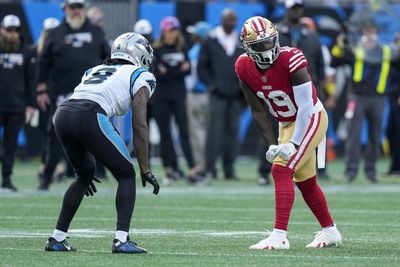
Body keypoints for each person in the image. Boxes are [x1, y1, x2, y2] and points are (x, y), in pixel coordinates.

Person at [44, 32, 160, 253]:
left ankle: (57, 238)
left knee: (84, 175)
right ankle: (121, 239)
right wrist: (145, 169)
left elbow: (84, 103)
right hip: (90, 114)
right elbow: (139, 124)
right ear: (140, 53)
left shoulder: (93, 70)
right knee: (126, 174)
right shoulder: (140, 75)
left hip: (63, 114)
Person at [235, 16, 342, 249]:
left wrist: (293, 144)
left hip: (311, 117)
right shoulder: (243, 66)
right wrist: (271, 144)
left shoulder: (291, 58)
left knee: (281, 170)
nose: (266, 48)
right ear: (248, 48)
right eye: (259, 45)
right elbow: (257, 109)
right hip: (286, 123)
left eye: (269, 41)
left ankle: (279, 236)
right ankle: (330, 231)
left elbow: (305, 106)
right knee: (305, 181)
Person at [36, 0, 110, 190]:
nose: (76, 11)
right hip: (63, 94)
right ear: (65, 9)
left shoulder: (96, 31)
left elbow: (109, 59)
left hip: (93, 93)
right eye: (72, 7)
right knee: (55, 136)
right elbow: (43, 63)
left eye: (79, 7)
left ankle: (113, 173)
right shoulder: (56, 33)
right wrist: (42, 89)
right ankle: (46, 178)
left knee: (100, 133)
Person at [331, 22, 393, 183]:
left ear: (377, 32)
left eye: (373, 30)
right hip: (357, 97)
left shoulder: (386, 50)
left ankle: (371, 170)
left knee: (375, 135)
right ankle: (351, 171)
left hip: (378, 97)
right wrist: (341, 43)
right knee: (354, 135)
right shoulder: (355, 48)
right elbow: (335, 61)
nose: (370, 34)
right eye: (367, 30)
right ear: (362, 33)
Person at [151, 16, 199, 184]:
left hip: (179, 95)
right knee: (165, 135)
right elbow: (159, 72)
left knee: (184, 132)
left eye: (173, 30)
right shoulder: (156, 50)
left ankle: (192, 169)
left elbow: (186, 70)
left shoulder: (183, 47)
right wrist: (177, 70)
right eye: (168, 30)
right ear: (163, 31)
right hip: (161, 97)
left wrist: (169, 70)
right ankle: (168, 170)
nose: (171, 34)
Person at [198, 8, 243, 179]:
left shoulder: (240, 41)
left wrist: (242, 88)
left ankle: (229, 169)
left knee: (232, 133)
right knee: (214, 133)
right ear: (222, 20)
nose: (231, 22)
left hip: (236, 95)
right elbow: (202, 67)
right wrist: (211, 85)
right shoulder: (211, 40)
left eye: (233, 19)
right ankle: (210, 168)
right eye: (228, 19)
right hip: (217, 94)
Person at [0, 14, 35, 191]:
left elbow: (31, 79)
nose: (12, 34)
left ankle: (6, 179)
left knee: (11, 145)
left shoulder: (26, 51)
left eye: (15, 30)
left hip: (16, 105)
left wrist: (31, 104)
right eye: (9, 30)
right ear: (2, 29)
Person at [185, 21, 212, 175]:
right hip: (209, 95)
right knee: (208, 132)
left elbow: (193, 77)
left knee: (197, 132)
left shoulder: (196, 51)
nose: (192, 36)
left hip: (196, 94)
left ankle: (201, 165)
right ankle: (208, 164)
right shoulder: (212, 50)